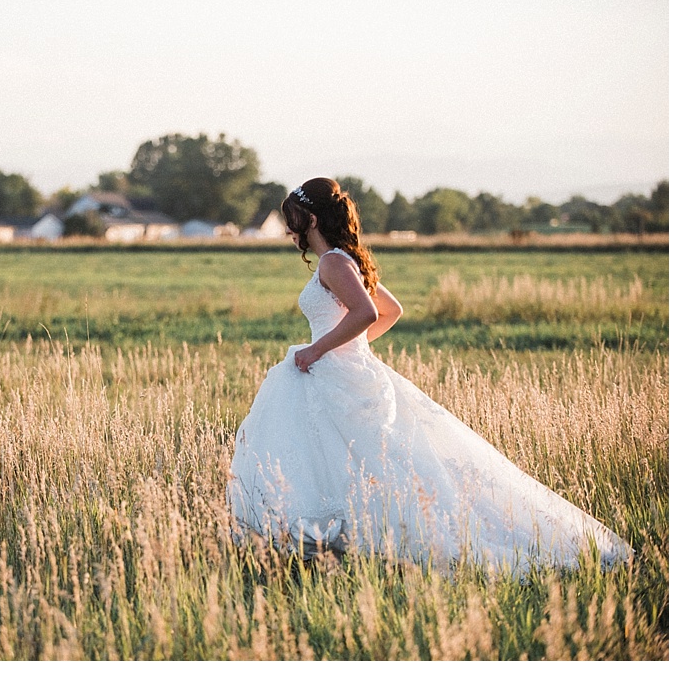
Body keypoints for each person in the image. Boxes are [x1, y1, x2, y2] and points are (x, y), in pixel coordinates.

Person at [226, 177, 631, 573]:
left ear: (311, 220)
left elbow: (370, 313)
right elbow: (390, 311)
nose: (289, 228)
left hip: (333, 370)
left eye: (293, 218)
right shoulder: (345, 260)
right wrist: (349, 348)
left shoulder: (334, 262)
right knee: (352, 458)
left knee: (369, 461)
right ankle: (332, 540)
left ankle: (340, 537)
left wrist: (320, 349)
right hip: (340, 370)